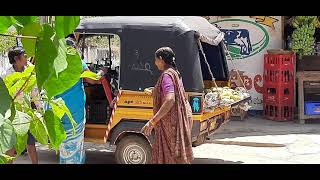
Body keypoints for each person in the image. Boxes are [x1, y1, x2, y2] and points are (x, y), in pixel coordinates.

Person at [47, 36, 102, 164]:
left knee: (64, 142)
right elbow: (93, 80)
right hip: (75, 111)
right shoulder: (78, 63)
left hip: (58, 108)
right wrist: (101, 72)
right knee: (74, 143)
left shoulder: (54, 64)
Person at [141, 47, 194, 164]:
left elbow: (170, 99)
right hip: (181, 119)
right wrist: (156, 91)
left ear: (161, 59)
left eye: (155, 60)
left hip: (171, 125)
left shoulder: (166, 76)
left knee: (170, 157)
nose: (155, 63)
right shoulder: (175, 73)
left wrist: (153, 121)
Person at [1, 46, 39, 164]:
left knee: (31, 145)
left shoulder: (30, 71)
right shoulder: (6, 74)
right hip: (11, 114)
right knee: (10, 146)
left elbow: (35, 92)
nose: (27, 57)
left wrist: (40, 109)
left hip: (26, 113)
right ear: (17, 59)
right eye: (24, 55)